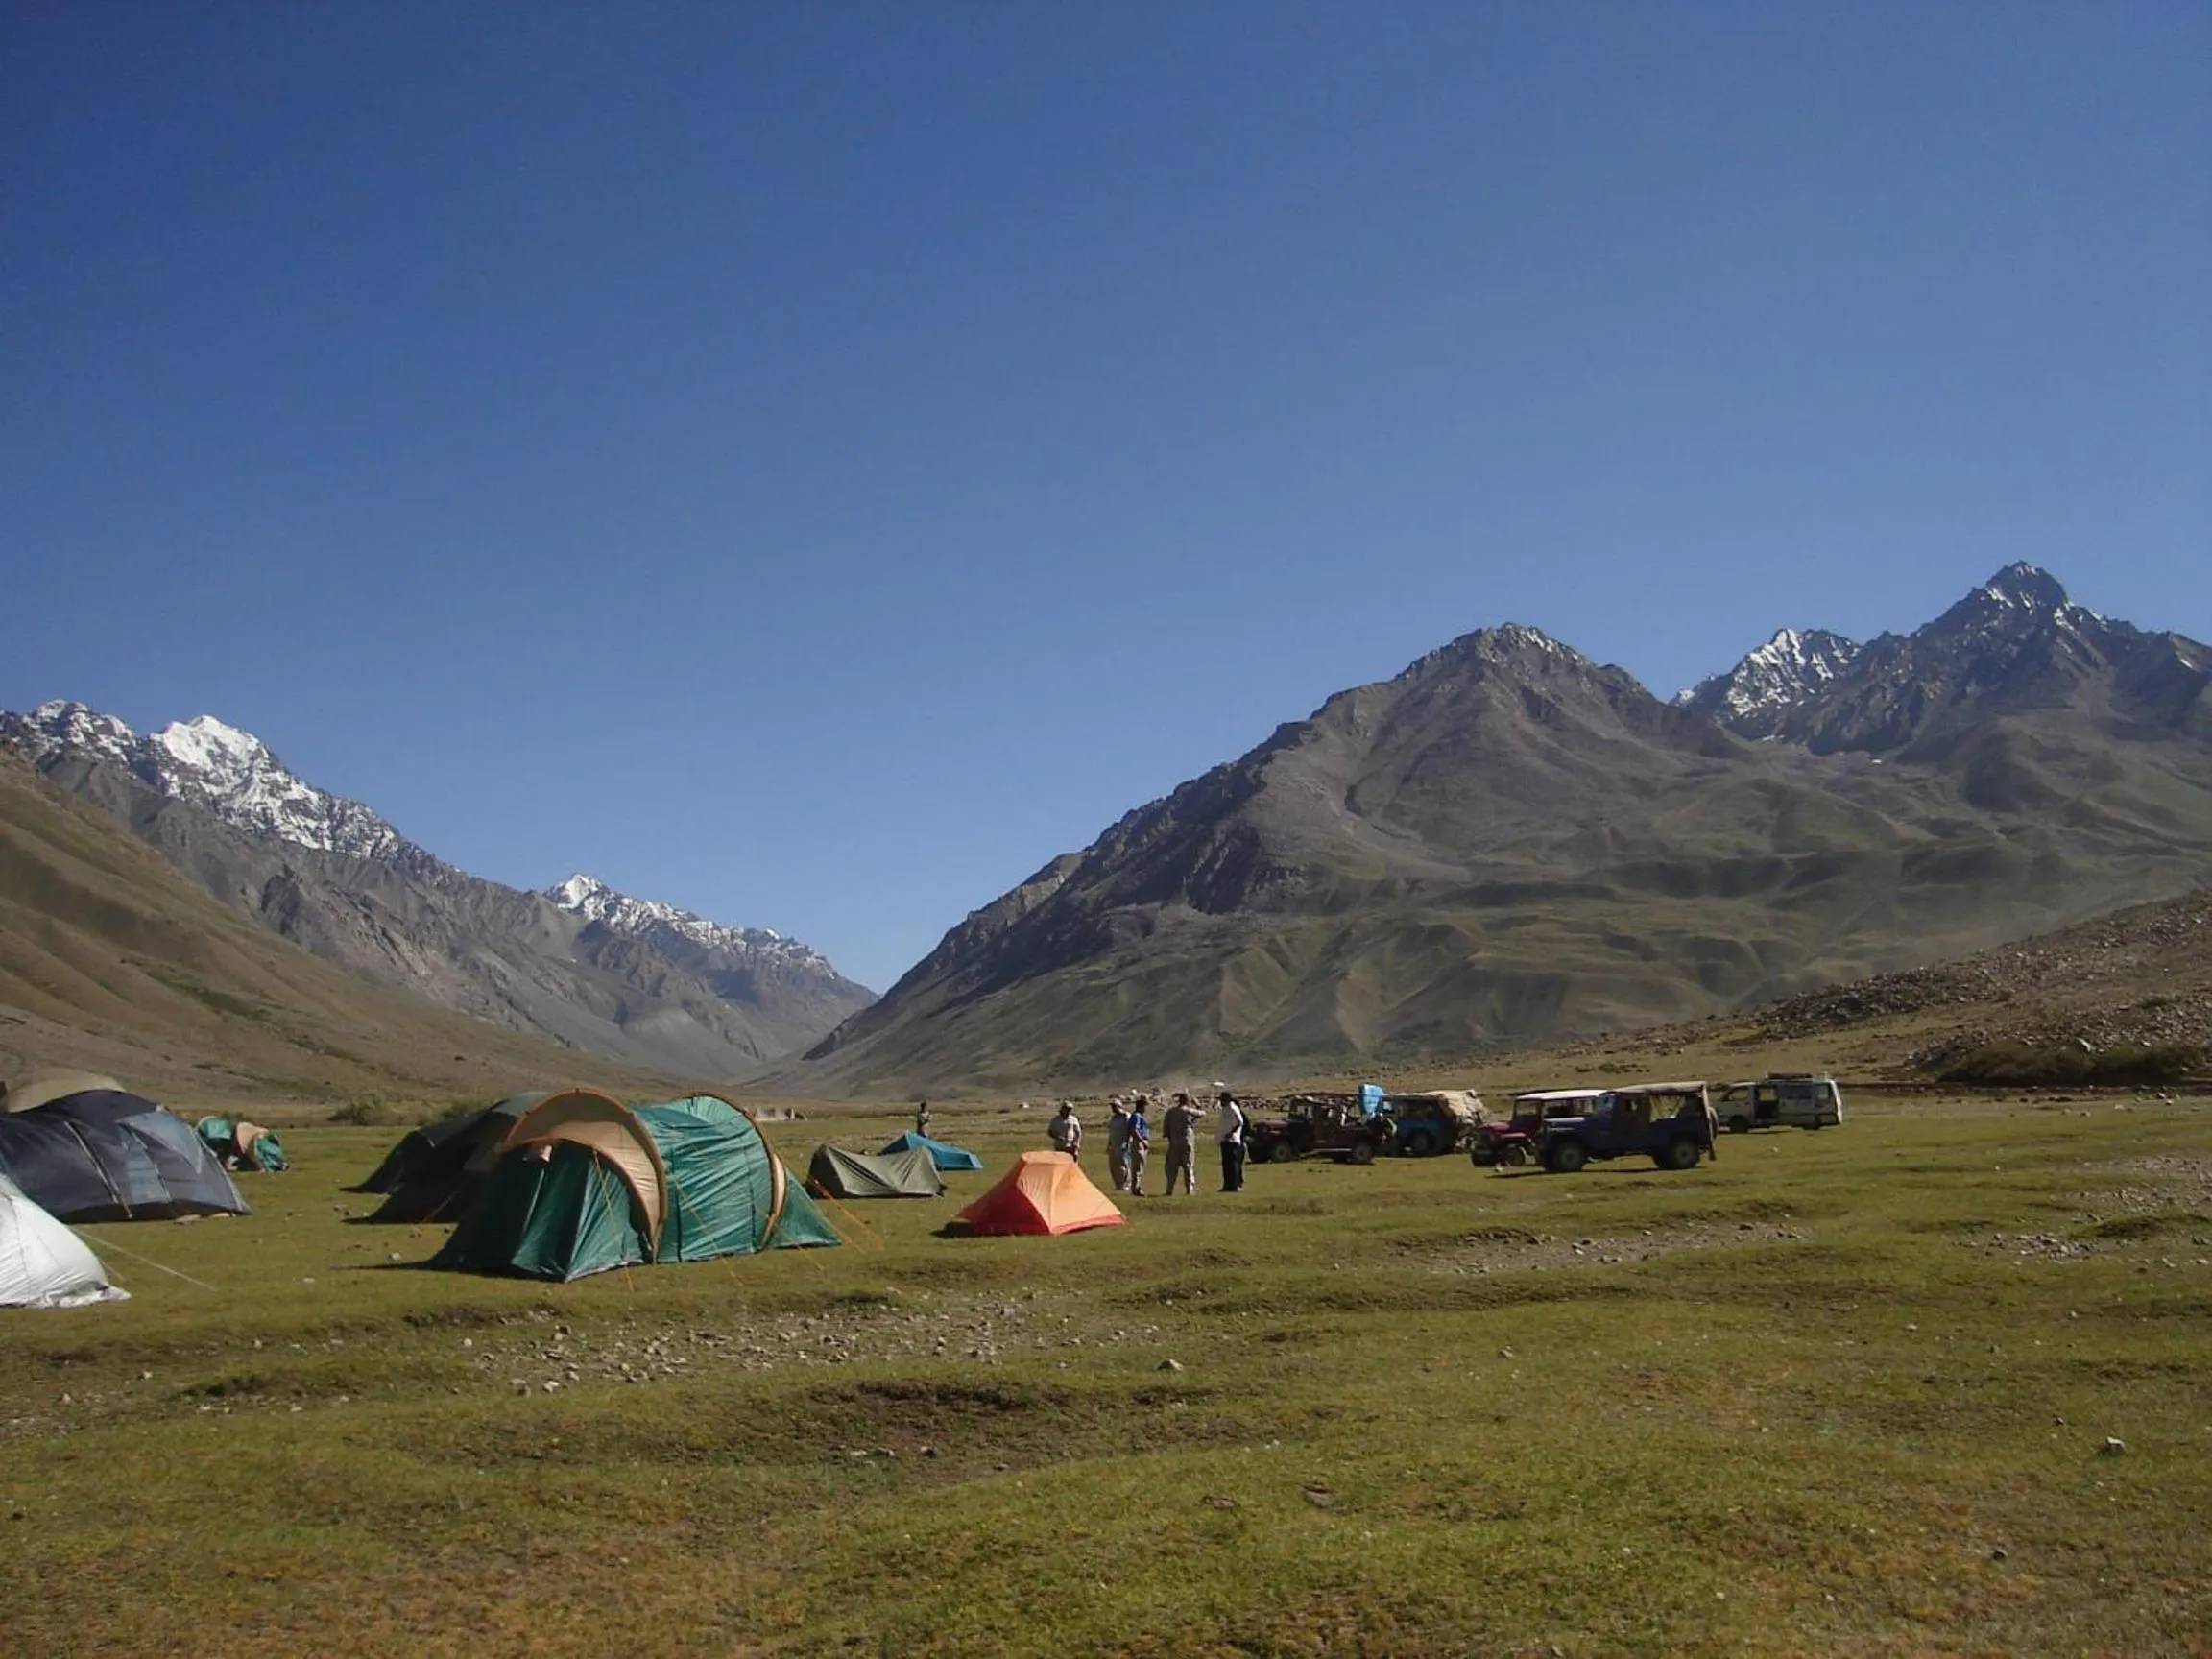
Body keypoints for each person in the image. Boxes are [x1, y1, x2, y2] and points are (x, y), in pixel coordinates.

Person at [1161, 1092, 1200, 1196]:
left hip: (1174, 1142)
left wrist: (1169, 1136)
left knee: (1172, 1167)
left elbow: (1166, 1128)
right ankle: (1189, 1189)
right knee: (1188, 1165)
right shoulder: (1189, 1111)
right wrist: (1197, 1104)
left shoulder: (1171, 1112)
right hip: (1187, 1140)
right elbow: (1202, 1113)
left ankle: (1169, 1189)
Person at [1215, 1087, 1247, 1193]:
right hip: (1224, 1140)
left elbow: (1240, 1122)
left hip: (1232, 1140)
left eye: (1222, 1099)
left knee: (1233, 1164)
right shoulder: (1225, 1109)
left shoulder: (1233, 1108)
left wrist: (1232, 1132)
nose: (1221, 1102)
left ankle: (1234, 1185)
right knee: (1226, 1164)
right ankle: (1227, 1185)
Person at [1124, 1094, 1151, 1196]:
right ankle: (1135, 1188)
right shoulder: (1136, 1116)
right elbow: (1134, 1130)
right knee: (1137, 1166)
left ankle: (1136, 1187)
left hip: (1141, 1141)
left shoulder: (1139, 1116)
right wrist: (1143, 1141)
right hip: (1138, 1142)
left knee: (1140, 1166)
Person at [1106, 1097, 1132, 1191]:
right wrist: (1109, 1144)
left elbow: (1130, 1131)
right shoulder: (1113, 1118)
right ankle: (1118, 1184)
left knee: (1123, 1165)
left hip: (1123, 1144)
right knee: (1113, 1166)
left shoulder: (1126, 1116)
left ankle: (1126, 1184)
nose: (1113, 1108)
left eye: (1114, 1106)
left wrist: (1128, 1143)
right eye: (1112, 1106)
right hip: (1114, 1144)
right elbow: (1111, 1132)